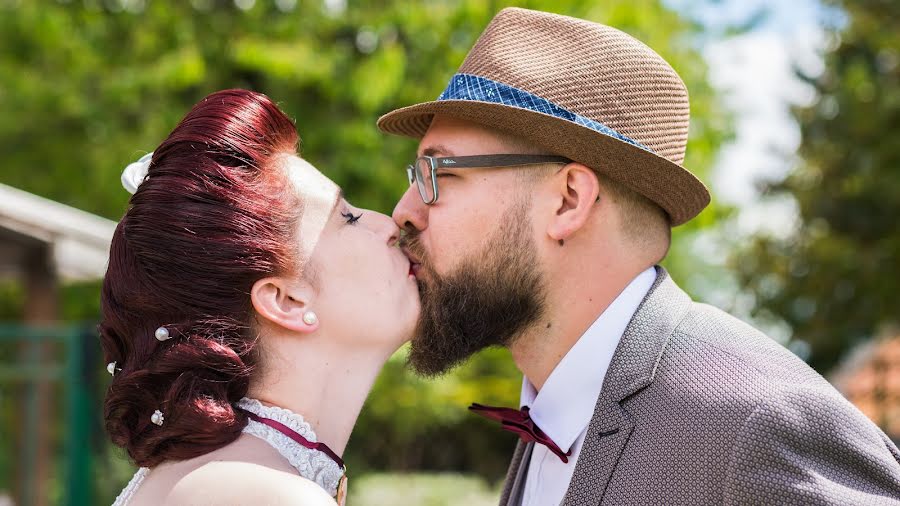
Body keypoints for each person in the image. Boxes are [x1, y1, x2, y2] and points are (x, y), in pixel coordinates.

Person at [379, 7, 900, 505]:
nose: (402, 211)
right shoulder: (548, 415)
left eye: (438, 174)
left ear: (568, 201)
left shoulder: (758, 421)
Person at [101, 89, 419, 505]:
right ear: (285, 300)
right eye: (348, 217)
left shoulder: (223, 478)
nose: (389, 223)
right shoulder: (266, 492)